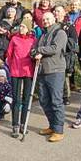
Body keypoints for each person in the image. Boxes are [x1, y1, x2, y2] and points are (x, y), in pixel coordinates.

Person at [32, 11, 68, 142]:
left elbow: (55, 48)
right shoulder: (42, 35)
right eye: (44, 19)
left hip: (55, 70)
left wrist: (40, 51)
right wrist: (35, 52)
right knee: (43, 100)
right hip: (42, 70)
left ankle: (59, 130)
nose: (45, 21)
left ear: (53, 19)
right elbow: (33, 48)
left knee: (56, 101)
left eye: (48, 19)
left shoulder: (60, 33)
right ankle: (52, 125)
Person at [6, 14, 36, 138]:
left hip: (28, 71)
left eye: (23, 27)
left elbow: (35, 52)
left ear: (28, 28)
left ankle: (24, 123)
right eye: (20, 26)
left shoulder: (33, 40)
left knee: (26, 99)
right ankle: (15, 125)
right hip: (16, 71)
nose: (21, 28)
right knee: (16, 99)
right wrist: (12, 65)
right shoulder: (14, 39)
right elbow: (9, 54)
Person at [53, 5, 79, 106]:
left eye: (59, 11)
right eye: (55, 11)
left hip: (64, 54)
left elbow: (74, 42)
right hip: (52, 54)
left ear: (64, 13)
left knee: (63, 76)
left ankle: (65, 96)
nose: (56, 13)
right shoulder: (50, 25)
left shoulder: (69, 26)